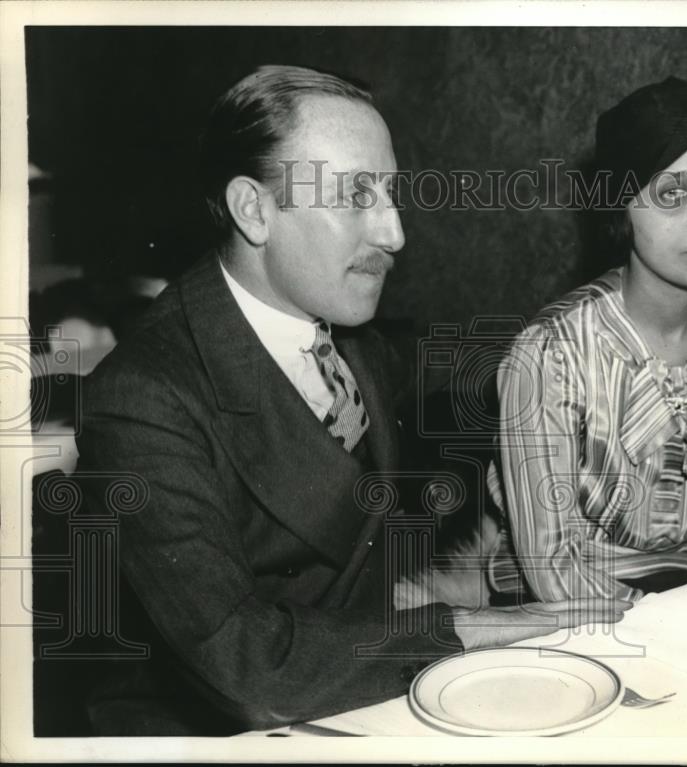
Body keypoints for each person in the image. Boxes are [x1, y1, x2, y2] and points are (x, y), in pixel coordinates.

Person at [75, 65, 629, 736]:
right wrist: (473, 624)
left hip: (362, 692)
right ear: (254, 210)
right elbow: (252, 670)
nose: (394, 233)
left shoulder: (346, 330)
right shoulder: (142, 398)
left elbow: (465, 392)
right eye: (355, 195)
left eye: (391, 195)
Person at [487, 76, 687, 603]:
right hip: (558, 620)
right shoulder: (549, 356)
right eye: (672, 193)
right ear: (620, 207)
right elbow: (552, 567)